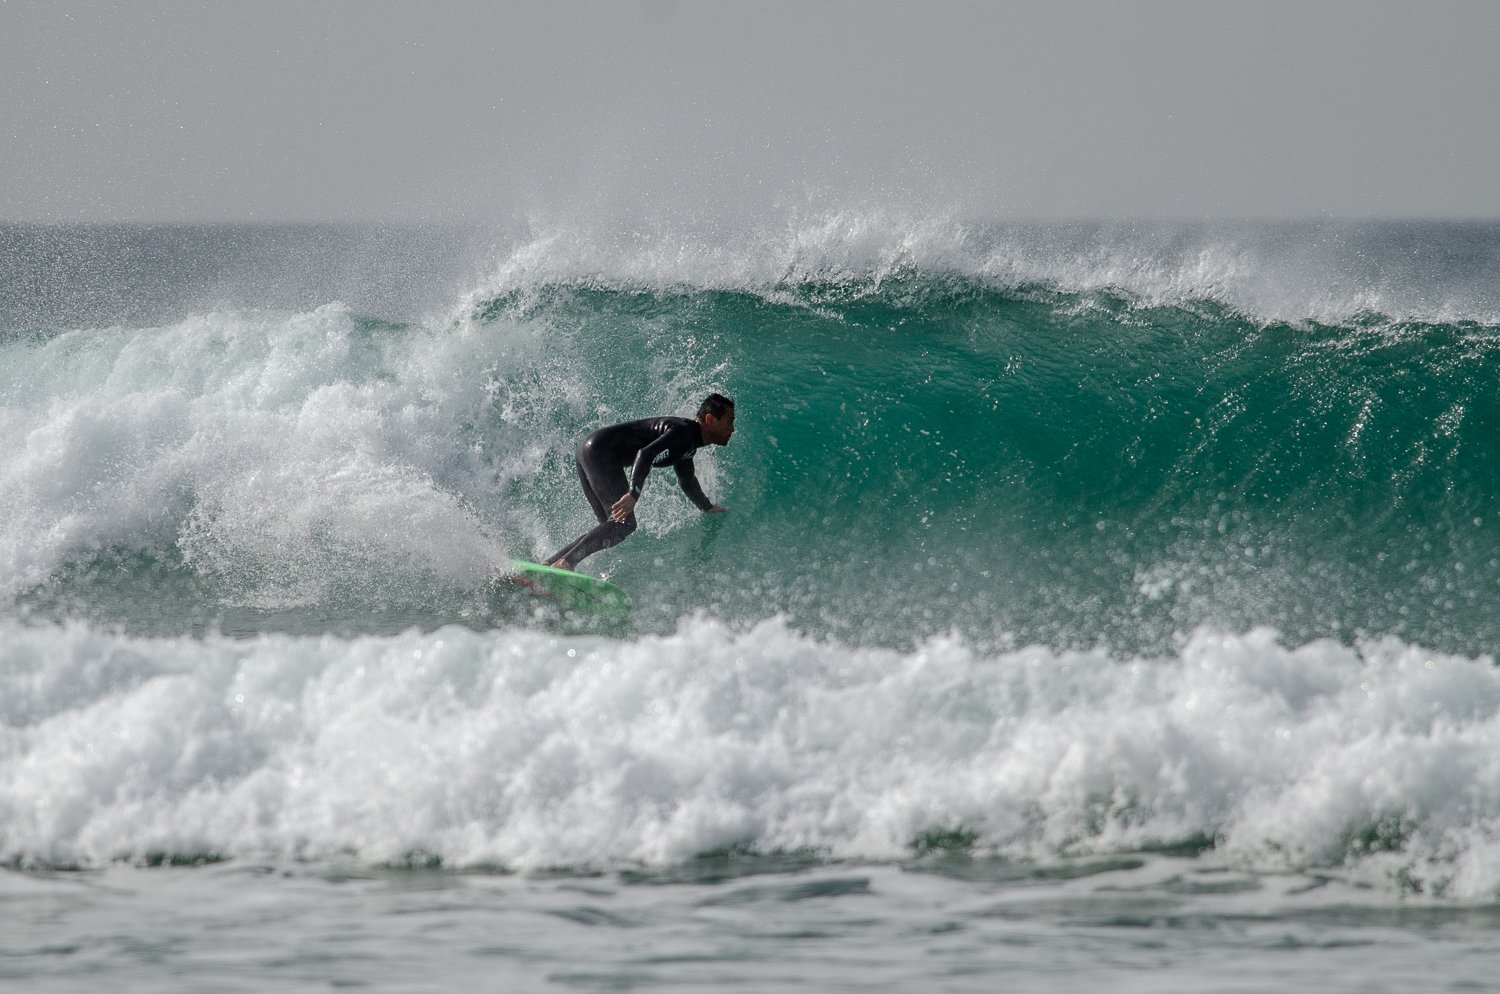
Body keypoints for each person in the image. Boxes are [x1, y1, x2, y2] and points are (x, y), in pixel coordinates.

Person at [546, 393, 735, 570]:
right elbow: (645, 454)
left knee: (611, 526)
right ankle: (566, 563)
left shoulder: (688, 445)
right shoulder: (684, 433)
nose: (732, 429)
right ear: (710, 420)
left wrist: (707, 507)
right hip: (600, 451)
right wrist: (633, 493)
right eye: (729, 421)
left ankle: (550, 564)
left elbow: (687, 480)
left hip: (590, 449)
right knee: (624, 524)